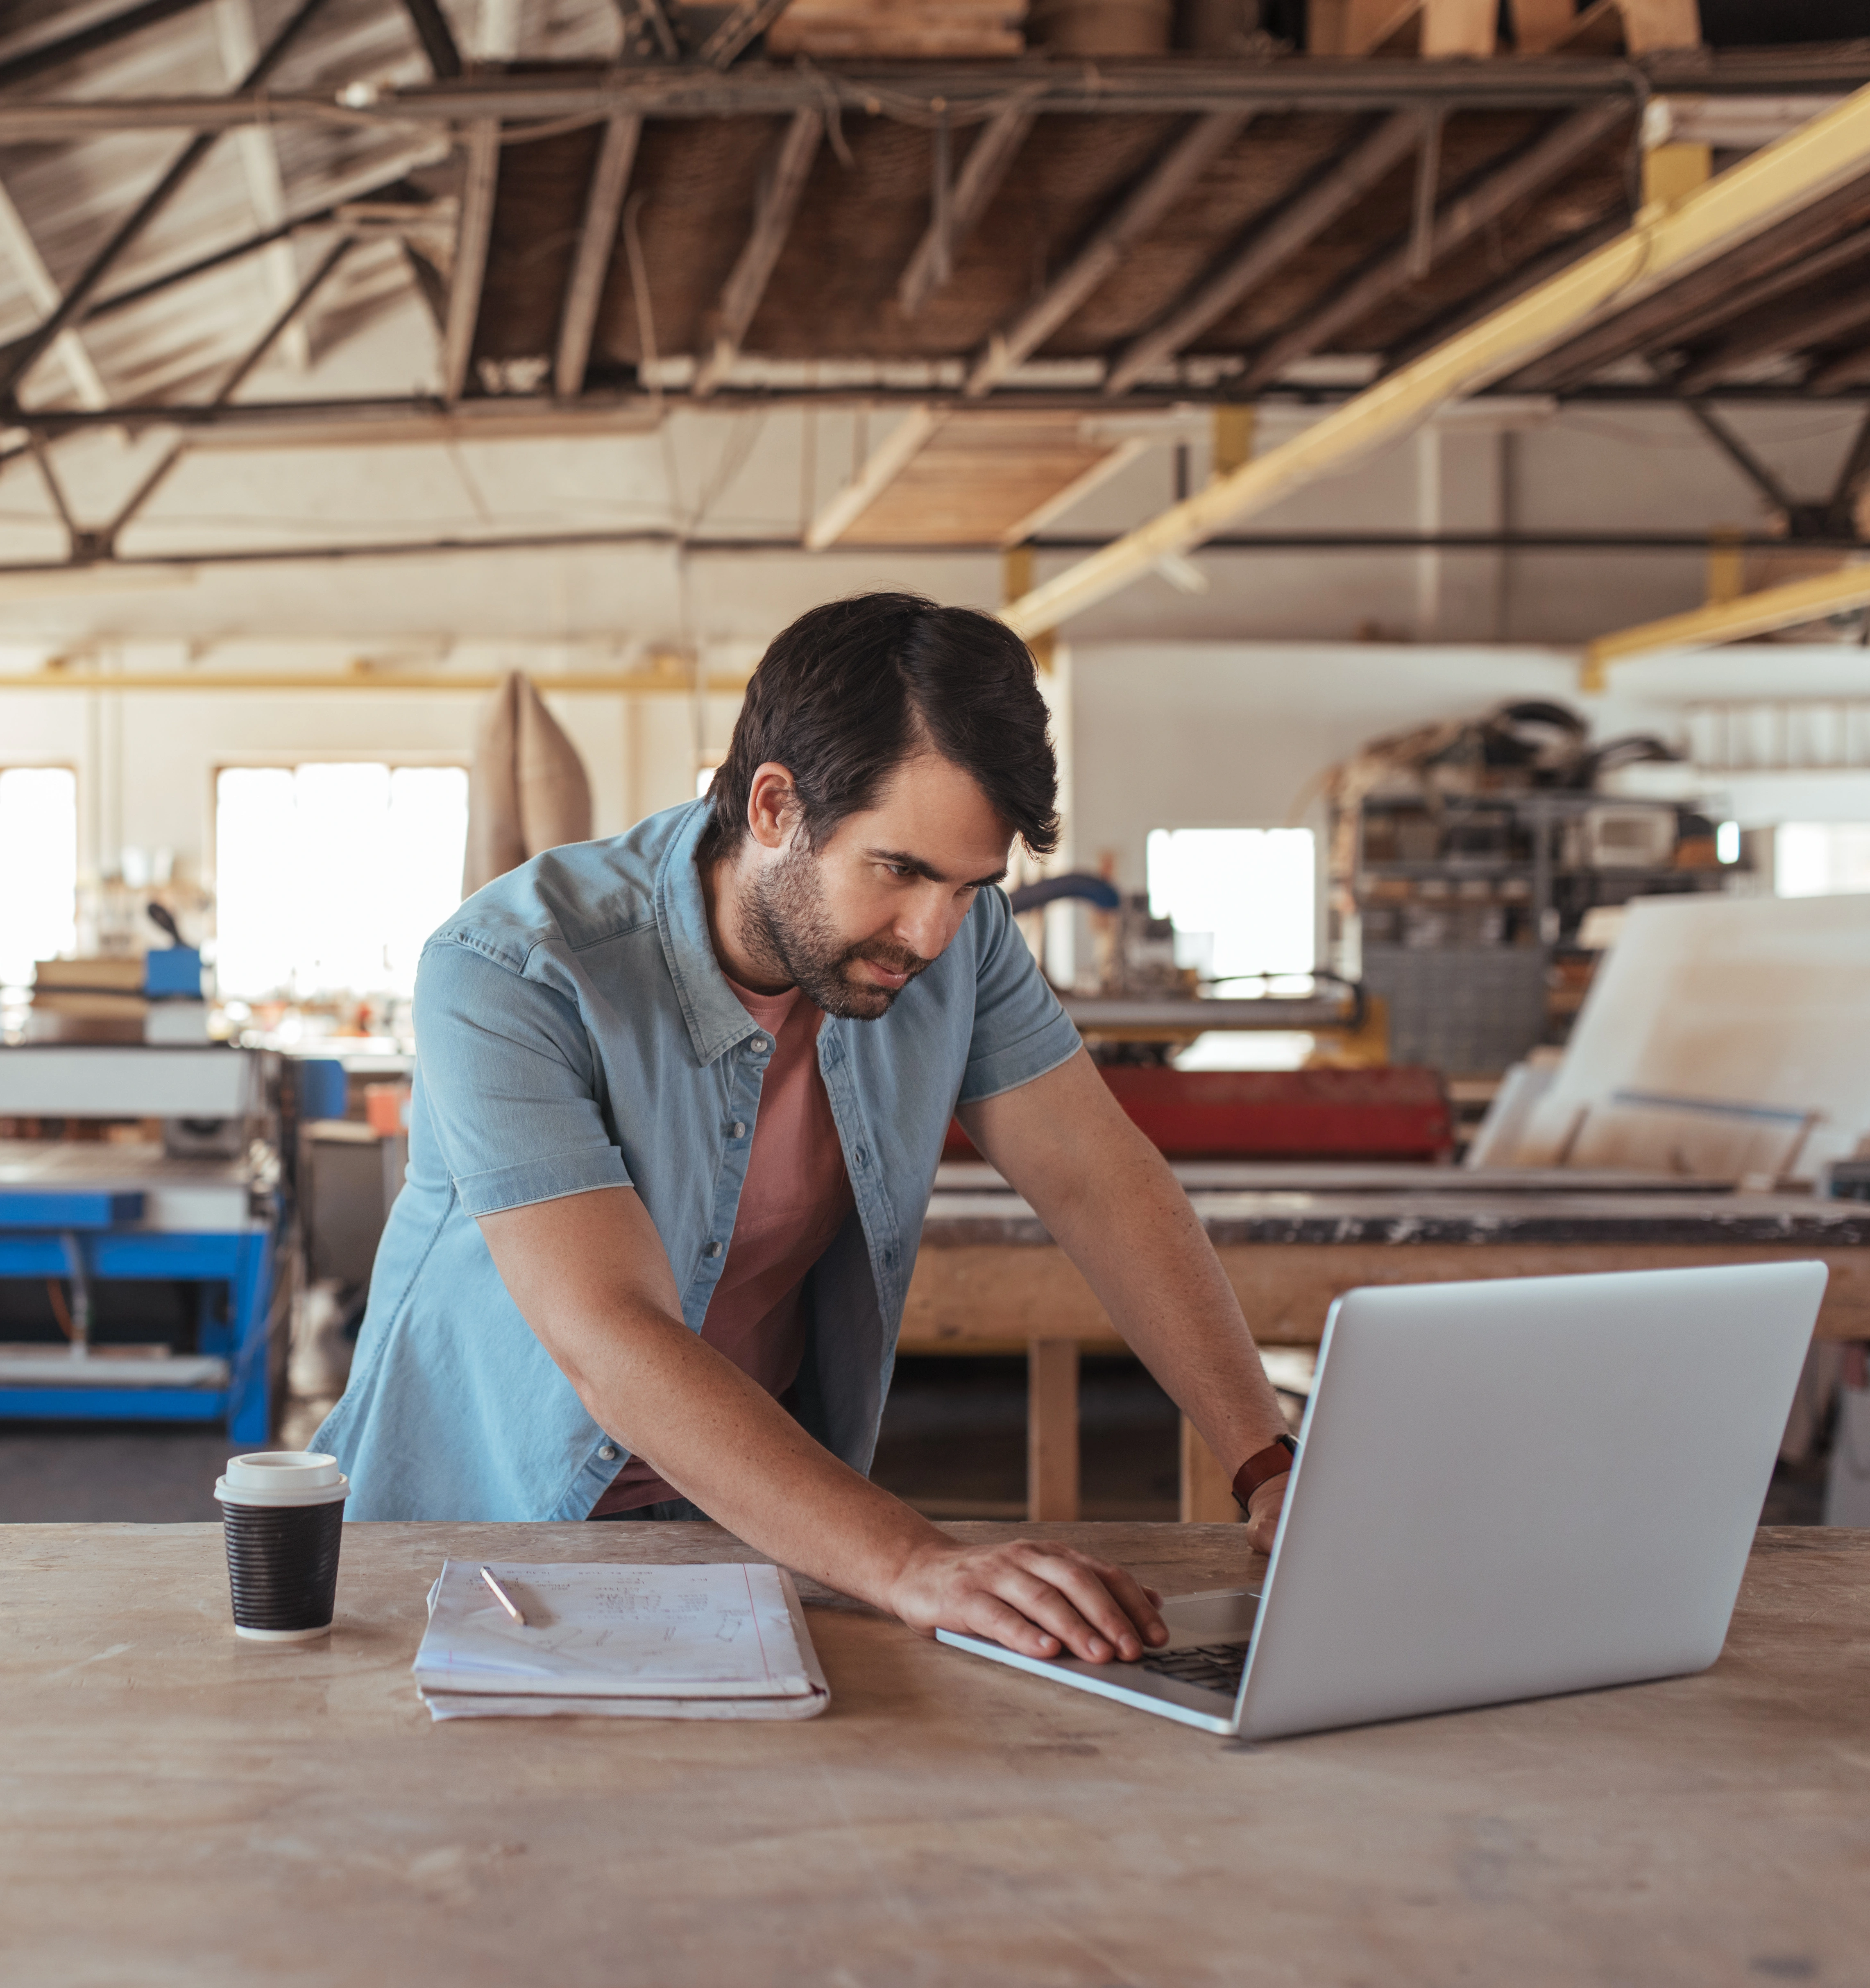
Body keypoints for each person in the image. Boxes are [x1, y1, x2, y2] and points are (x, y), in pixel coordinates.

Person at [316, 593, 1295, 1669]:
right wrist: (909, 1559)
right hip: (474, 1540)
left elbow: (1099, 1182)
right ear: (775, 806)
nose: (932, 932)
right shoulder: (511, 968)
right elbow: (611, 1335)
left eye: (972, 886)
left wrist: (1267, 1463)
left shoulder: (956, 947)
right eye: (901, 869)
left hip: (743, 1531)